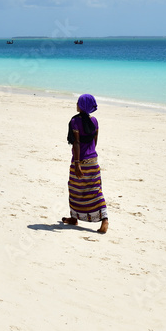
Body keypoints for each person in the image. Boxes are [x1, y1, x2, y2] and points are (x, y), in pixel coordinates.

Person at [63, 93, 109, 234]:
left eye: (78, 103)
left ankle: (76, 218)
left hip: (80, 161)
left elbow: (76, 142)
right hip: (93, 161)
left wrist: (77, 164)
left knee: (75, 189)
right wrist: (89, 153)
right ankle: (102, 220)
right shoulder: (94, 121)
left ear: (83, 106)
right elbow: (94, 142)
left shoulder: (75, 122)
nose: (76, 104)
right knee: (95, 190)